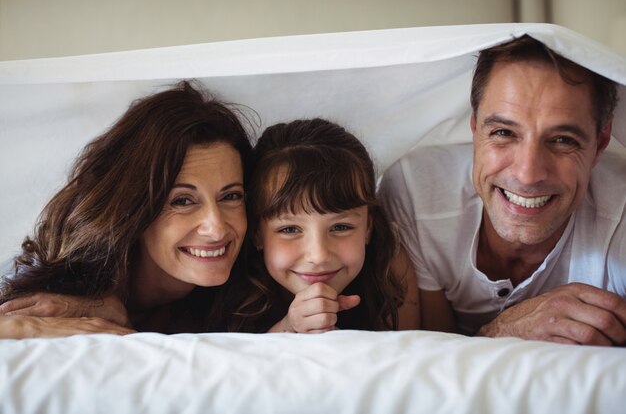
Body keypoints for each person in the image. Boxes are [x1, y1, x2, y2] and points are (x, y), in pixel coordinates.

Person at [378, 35, 626, 346]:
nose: (527, 174)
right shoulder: (417, 190)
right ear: (475, 127)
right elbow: (426, 357)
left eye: (563, 139)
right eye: (503, 132)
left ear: (600, 143)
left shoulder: (620, 214)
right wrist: (503, 330)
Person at [0, 80, 255, 338]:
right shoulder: (56, 279)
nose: (216, 228)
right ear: (135, 207)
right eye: (182, 201)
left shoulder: (252, 294)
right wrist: (23, 325)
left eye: (231, 196)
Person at [236, 118, 419, 333]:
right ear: (257, 233)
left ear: (368, 227)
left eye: (340, 227)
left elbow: (405, 358)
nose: (319, 255)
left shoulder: (390, 268)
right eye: (290, 229)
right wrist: (287, 329)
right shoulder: (232, 287)